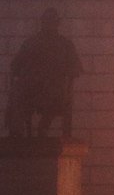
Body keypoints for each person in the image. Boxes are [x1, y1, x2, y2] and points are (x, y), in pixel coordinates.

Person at [5, 8, 83, 139]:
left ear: (57, 24)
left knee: (50, 94)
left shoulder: (65, 45)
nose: (49, 24)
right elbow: (15, 65)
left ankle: (43, 127)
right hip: (32, 89)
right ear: (42, 23)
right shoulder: (31, 43)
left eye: (52, 21)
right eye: (47, 21)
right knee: (17, 93)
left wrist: (63, 79)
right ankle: (16, 132)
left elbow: (76, 69)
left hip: (55, 91)